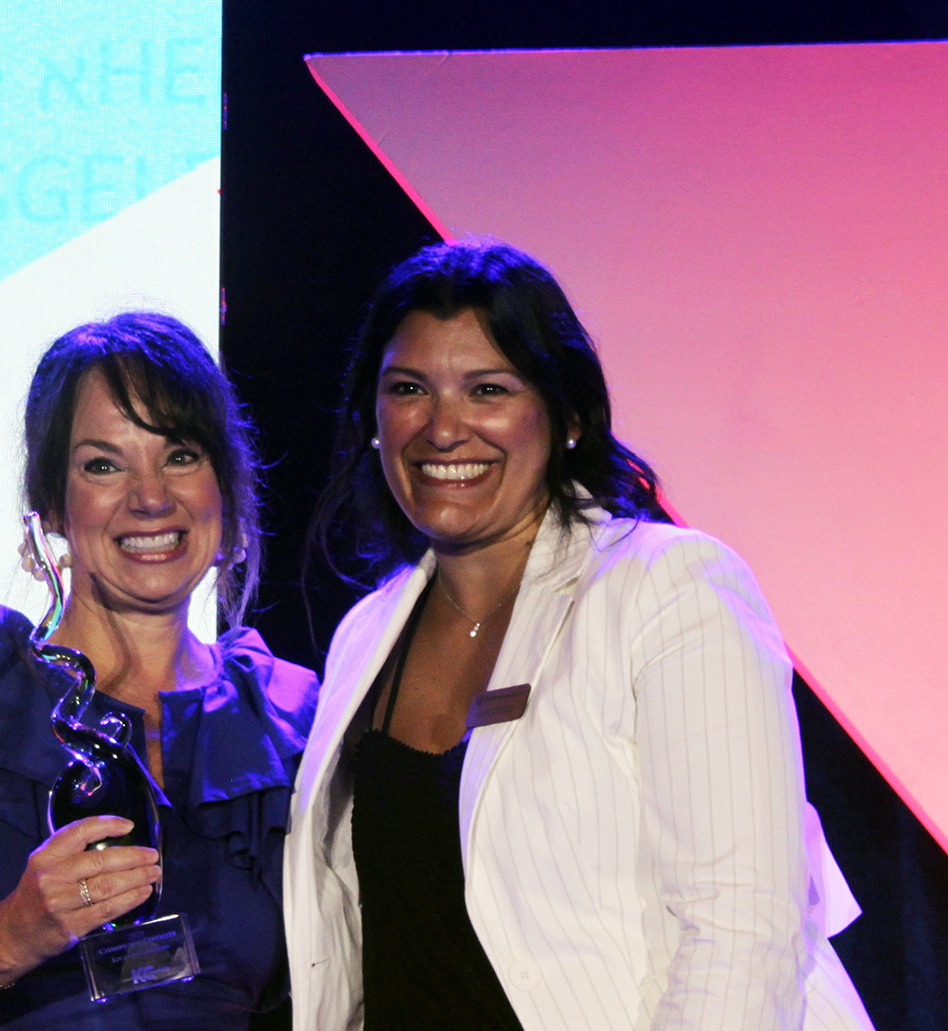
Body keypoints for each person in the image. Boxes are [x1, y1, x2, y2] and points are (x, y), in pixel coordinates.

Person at [284, 242, 874, 1031]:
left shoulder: (669, 588)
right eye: (409, 389)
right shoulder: (367, 634)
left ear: (565, 418)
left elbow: (739, 934)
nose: (444, 427)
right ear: (372, 417)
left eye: (488, 389)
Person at [0, 312, 318, 1031]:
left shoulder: (287, 721)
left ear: (225, 485)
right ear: (52, 504)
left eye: (180, 455)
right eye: (103, 464)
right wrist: (13, 933)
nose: (149, 497)